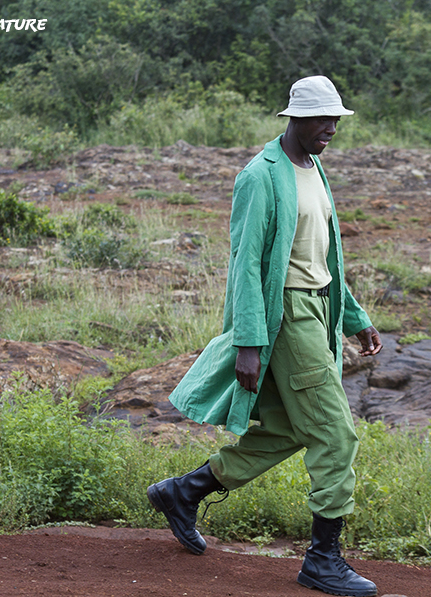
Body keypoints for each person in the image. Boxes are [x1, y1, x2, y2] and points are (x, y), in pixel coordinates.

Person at [146, 76, 382, 597]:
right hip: (288, 316)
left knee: (290, 428)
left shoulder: (313, 166)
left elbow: (324, 254)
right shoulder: (260, 174)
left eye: (336, 119)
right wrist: (249, 342)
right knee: (336, 435)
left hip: (321, 312)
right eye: (322, 119)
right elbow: (246, 263)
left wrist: (354, 316)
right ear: (293, 118)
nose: (332, 129)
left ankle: (184, 492)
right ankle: (323, 560)